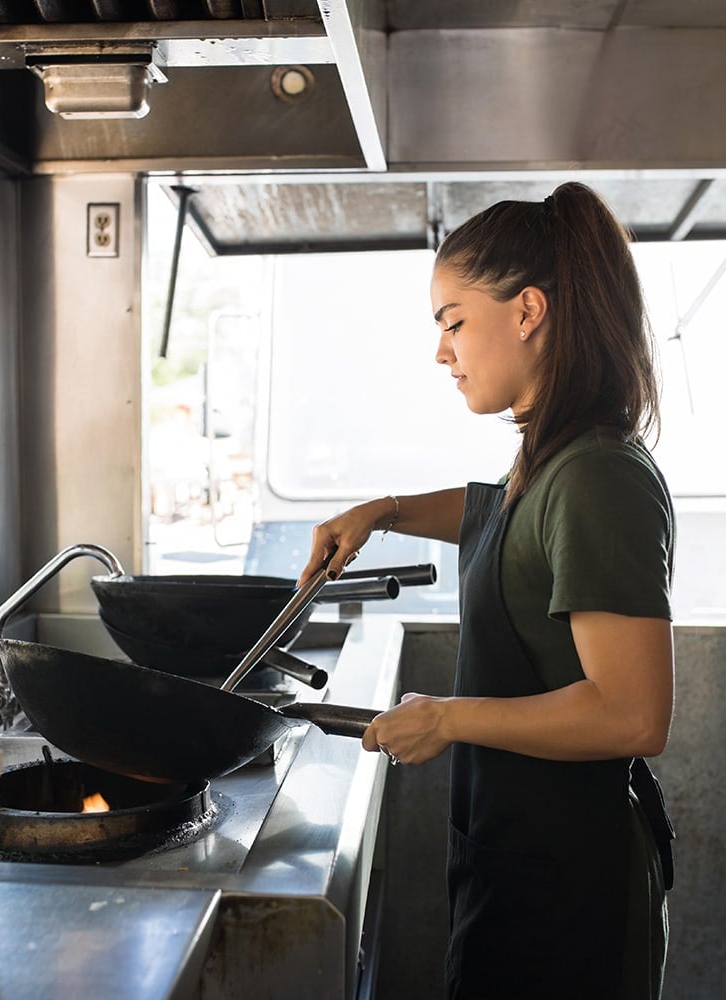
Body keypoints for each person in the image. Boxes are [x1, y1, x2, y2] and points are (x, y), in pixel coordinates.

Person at [297, 182, 676, 1000]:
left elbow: (635, 714)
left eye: (452, 321)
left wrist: (447, 717)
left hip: (573, 898)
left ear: (528, 312)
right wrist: (387, 511)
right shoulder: (549, 459)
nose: (442, 351)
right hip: (521, 864)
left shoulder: (599, 474)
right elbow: (500, 520)